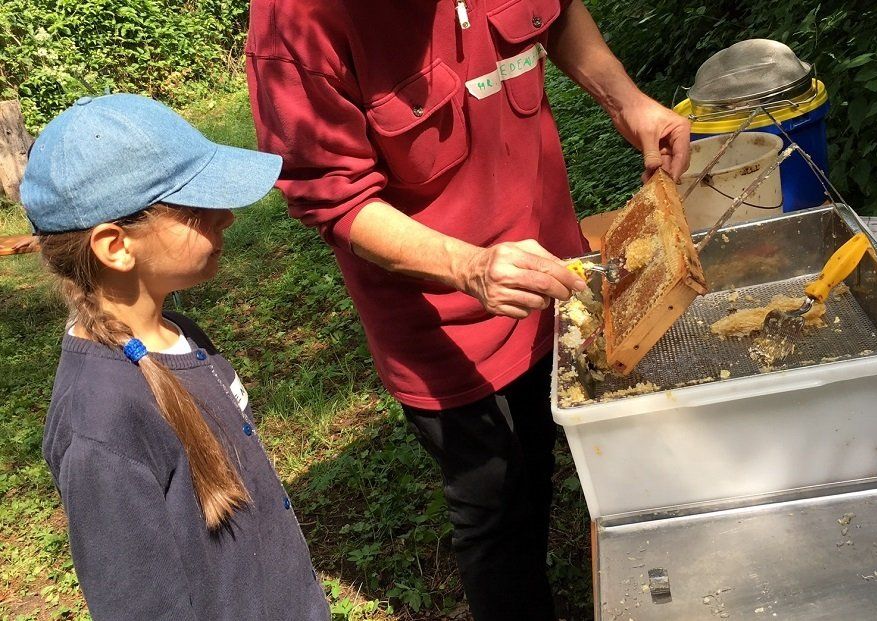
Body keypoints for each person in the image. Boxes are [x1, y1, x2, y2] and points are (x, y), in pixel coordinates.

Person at [246, 1, 690, 618]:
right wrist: (470, 268)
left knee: (565, 453)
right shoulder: (297, 23)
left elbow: (553, 14)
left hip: (559, 278)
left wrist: (627, 100)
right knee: (499, 510)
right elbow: (335, 198)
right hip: (447, 321)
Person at [20, 94, 330, 621]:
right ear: (116, 246)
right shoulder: (99, 424)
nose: (228, 217)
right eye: (198, 209)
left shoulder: (178, 333)